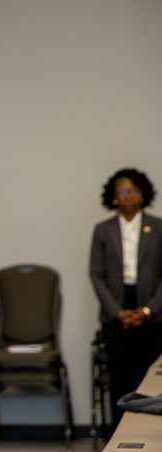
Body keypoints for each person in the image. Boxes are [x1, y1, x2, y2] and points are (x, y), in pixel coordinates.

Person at [89, 168, 162, 430]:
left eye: (133, 189)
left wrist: (146, 311)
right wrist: (117, 312)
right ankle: (117, 436)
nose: (128, 195)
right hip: (115, 311)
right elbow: (96, 275)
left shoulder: (158, 227)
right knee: (119, 377)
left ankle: (150, 437)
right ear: (114, 197)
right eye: (122, 190)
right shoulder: (103, 229)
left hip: (152, 310)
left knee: (149, 378)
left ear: (143, 194)